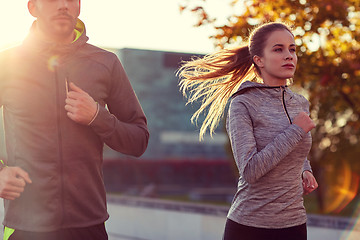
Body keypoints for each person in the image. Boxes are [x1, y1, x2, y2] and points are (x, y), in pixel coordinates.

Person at [0, 0, 149, 239]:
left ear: (79, 6)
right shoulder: (7, 64)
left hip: (88, 225)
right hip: (24, 225)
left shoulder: (105, 63)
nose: (62, 5)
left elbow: (139, 140)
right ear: (32, 7)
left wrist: (97, 117)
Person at [177, 22, 318, 240]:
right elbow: (250, 170)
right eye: (278, 49)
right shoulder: (243, 103)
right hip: (250, 227)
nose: (289, 55)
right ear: (258, 60)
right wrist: (296, 130)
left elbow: (298, 148)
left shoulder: (300, 103)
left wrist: (304, 169)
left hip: (295, 225)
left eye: (293, 49)